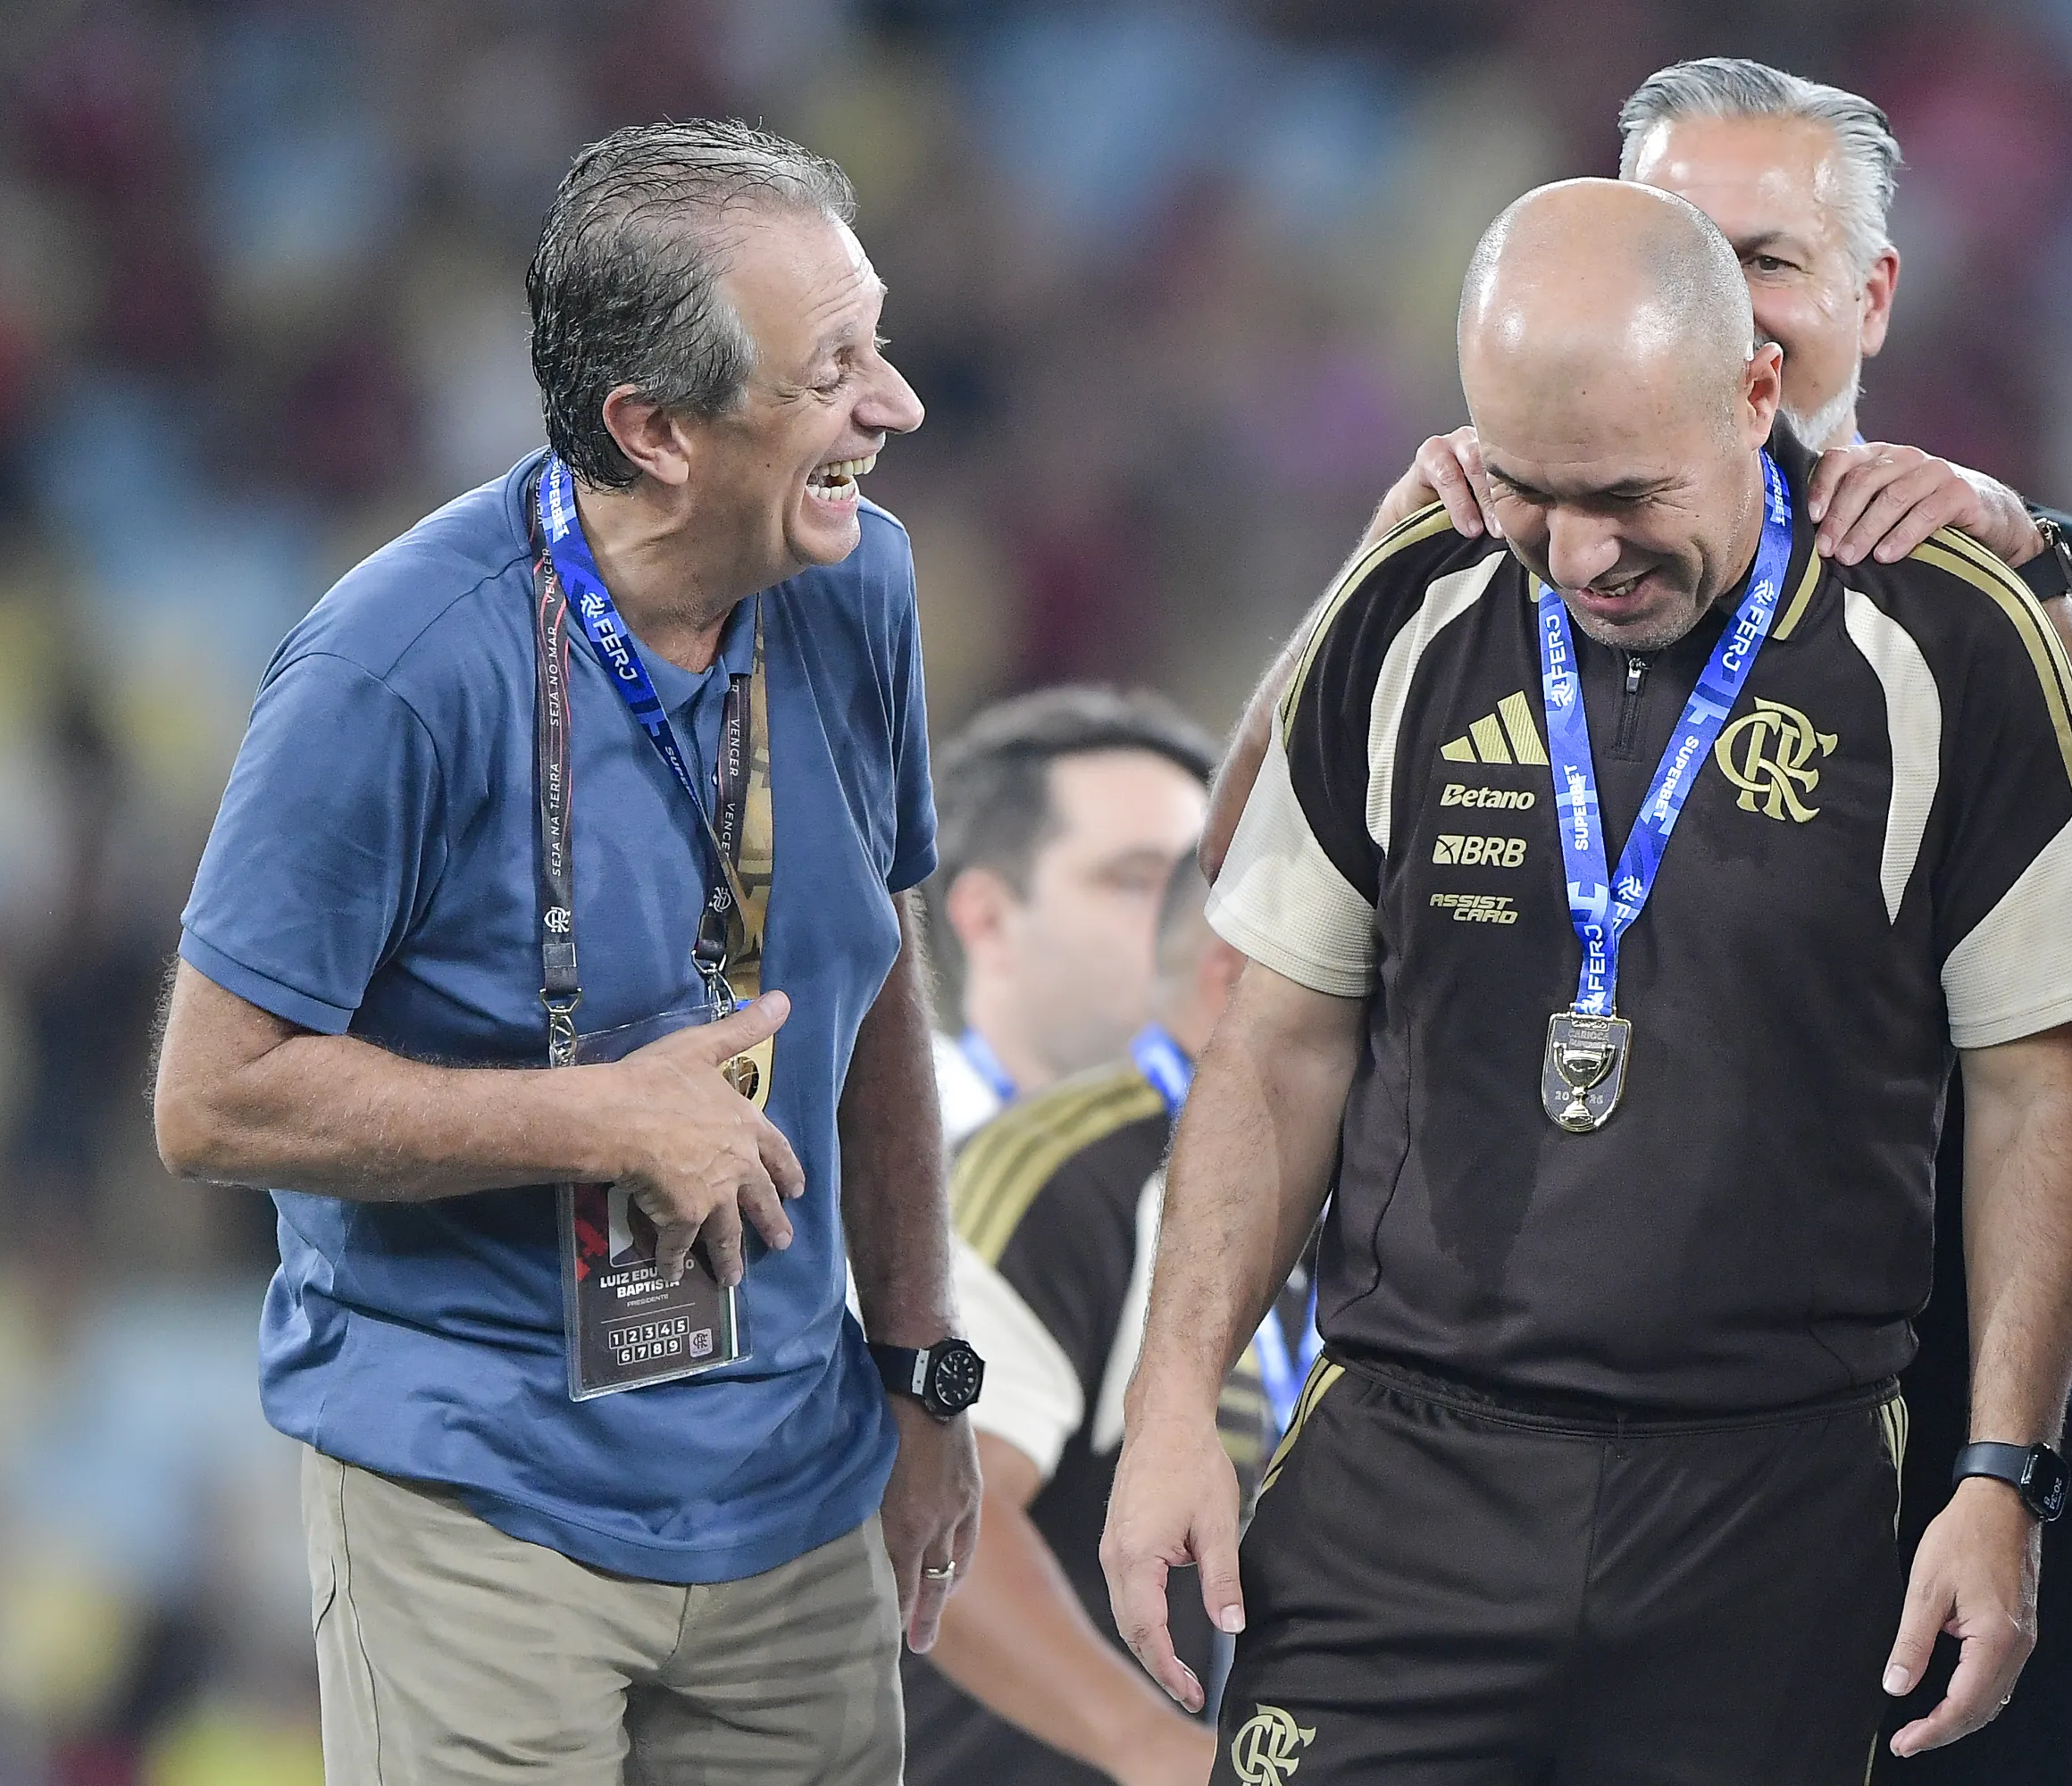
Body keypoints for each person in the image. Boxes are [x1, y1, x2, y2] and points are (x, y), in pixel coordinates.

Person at [1197, 59, 2072, 1784]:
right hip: (1490, 1433)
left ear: (1867, 299)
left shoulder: (2012, 591)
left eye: (1772, 260)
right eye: (1679, 245)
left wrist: (2025, 565)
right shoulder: (1476, 563)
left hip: (1933, 1409)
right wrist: (1380, 566)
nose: (1727, 297)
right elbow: (1237, 894)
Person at [150, 121, 981, 1783]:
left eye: (875, 342)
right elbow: (210, 1105)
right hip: (483, 1503)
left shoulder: (856, 586)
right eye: (832, 374)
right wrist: (594, 1119)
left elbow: (880, 973)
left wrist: (921, 1368)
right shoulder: (393, 668)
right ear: (653, 430)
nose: (889, 407)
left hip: (793, 1502)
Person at [906, 855, 1270, 1786]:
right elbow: (942, 1510)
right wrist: (1157, 1749)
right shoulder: (1062, 1170)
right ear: (1243, 967)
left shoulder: (1382, 1189)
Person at [925, 687, 1216, 1147]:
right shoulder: (872, 1166)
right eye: (1135, 882)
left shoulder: (1266, 1168)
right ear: (989, 921)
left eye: (1208, 887)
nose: (1204, 924)